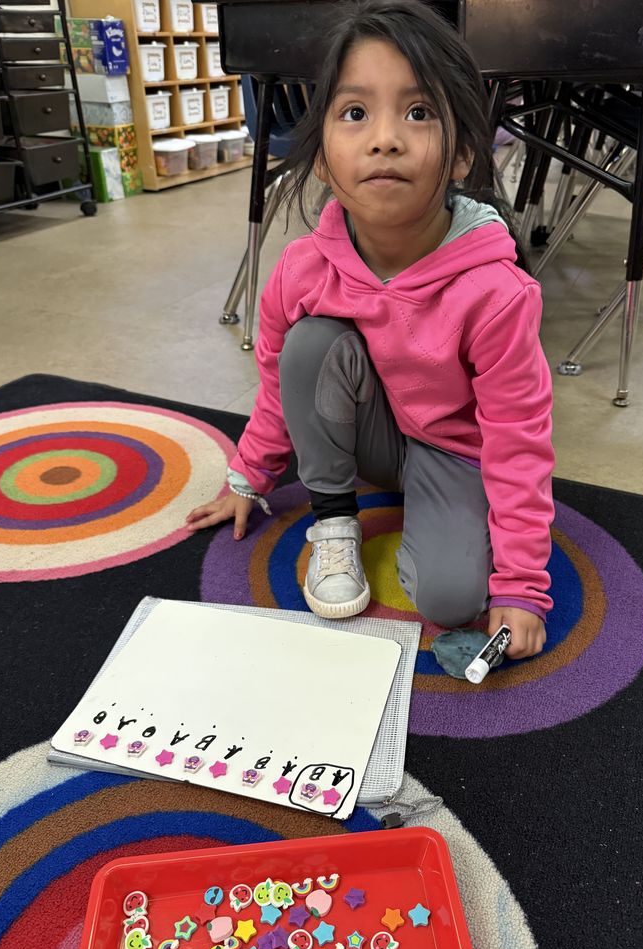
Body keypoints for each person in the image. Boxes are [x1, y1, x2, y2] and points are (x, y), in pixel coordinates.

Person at [186, 0, 554, 660]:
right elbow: (277, 385)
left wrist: (522, 585)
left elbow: (518, 438)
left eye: (419, 113)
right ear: (323, 159)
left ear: (464, 153)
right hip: (370, 442)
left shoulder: (496, 290)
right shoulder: (303, 268)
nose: (385, 138)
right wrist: (249, 478)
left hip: (455, 451)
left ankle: (446, 528)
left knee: (450, 601)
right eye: (355, 114)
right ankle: (334, 521)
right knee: (310, 345)